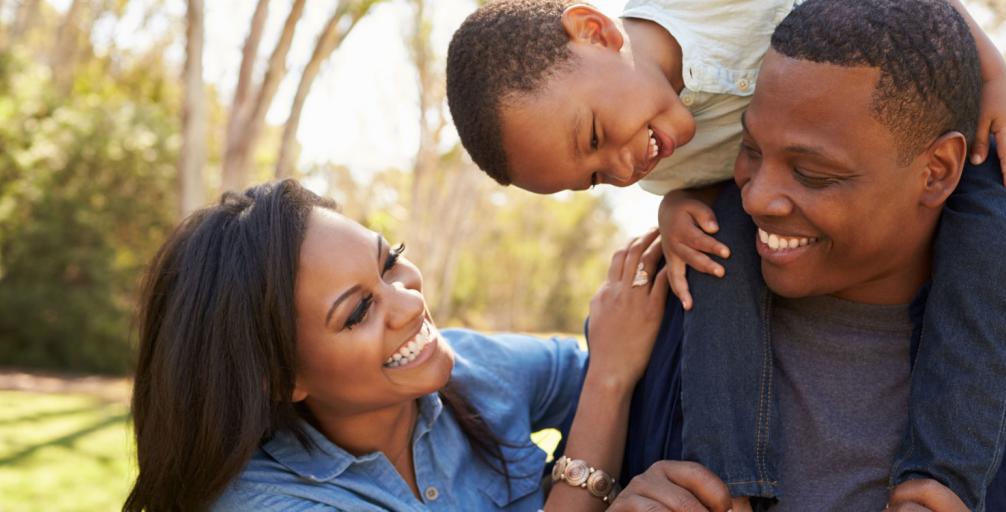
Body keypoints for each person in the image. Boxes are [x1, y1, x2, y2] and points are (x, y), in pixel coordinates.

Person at [445, 0, 1006, 506]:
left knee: (1001, 224)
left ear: (595, 31)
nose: (622, 171)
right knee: (718, 249)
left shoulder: (701, 9)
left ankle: (944, 482)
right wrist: (675, 208)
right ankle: (728, 482)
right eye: (595, 176)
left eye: (813, 172)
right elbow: (708, 187)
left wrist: (993, 78)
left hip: (963, 127)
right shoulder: (664, 325)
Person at [121, 179, 671, 511]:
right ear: (282, 378)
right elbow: (611, 372)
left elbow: (646, 366)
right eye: (359, 311)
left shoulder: (474, 370)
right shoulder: (262, 502)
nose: (409, 303)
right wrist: (608, 386)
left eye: (389, 261)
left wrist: (689, 205)